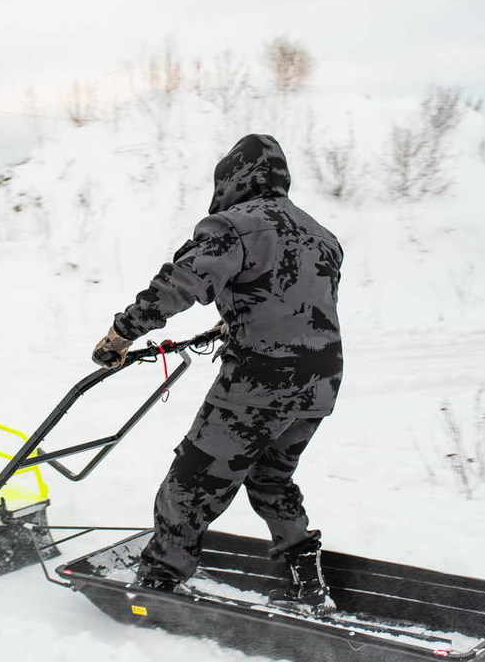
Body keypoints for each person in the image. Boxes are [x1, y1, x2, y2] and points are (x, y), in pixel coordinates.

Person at [91, 133, 344, 613]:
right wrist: (233, 317)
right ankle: (306, 580)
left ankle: (159, 581)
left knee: (190, 484)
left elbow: (180, 283)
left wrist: (123, 332)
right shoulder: (322, 235)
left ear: (232, 179)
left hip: (259, 382)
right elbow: (298, 300)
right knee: (271, 478)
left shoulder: (235, 225)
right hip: (321, 382)